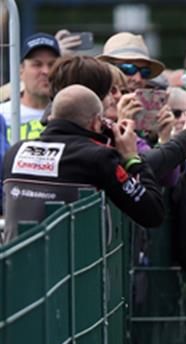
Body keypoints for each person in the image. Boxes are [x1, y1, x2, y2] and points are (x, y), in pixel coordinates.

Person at [2, 84, 165, 241]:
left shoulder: (15, 152)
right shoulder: (98, 158)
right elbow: (152, 213)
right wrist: (132, 158)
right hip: (67, 266)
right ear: (96, 122)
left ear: (51, 118)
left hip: (17, 265)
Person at [0, 33, 60, 131]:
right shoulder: (3, 114)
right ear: (21, 70)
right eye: (37, 64)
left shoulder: (69, 116)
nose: (46, 71)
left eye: (52, 64)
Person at [96, 32, 166, 93]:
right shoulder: (90, 105)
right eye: (128, 69)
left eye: (145, 72)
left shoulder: (153, 105)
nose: (138, 79)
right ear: (107, 71)